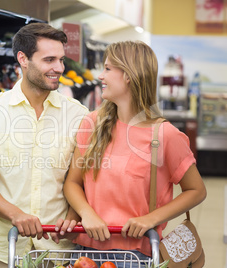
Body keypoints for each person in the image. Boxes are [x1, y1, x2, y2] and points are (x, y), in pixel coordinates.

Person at [55, 40, 207, 267]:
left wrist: (151, 219)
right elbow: (73, 183)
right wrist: (86, 214)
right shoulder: (93, 124)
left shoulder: (164, 135)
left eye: (107, 69)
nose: (101, 76)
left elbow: (196, 191)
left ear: (128, 75)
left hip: (138, 256)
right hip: (86, 253)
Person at [0, 22, 89, 267]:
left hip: (56, 251)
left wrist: (73, 219)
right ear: (23, 59)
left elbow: (80, 181)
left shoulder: (78, 115)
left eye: (61, 60)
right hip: (4, 250)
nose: (58, 68)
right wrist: (15, 215)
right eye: (49, 60)